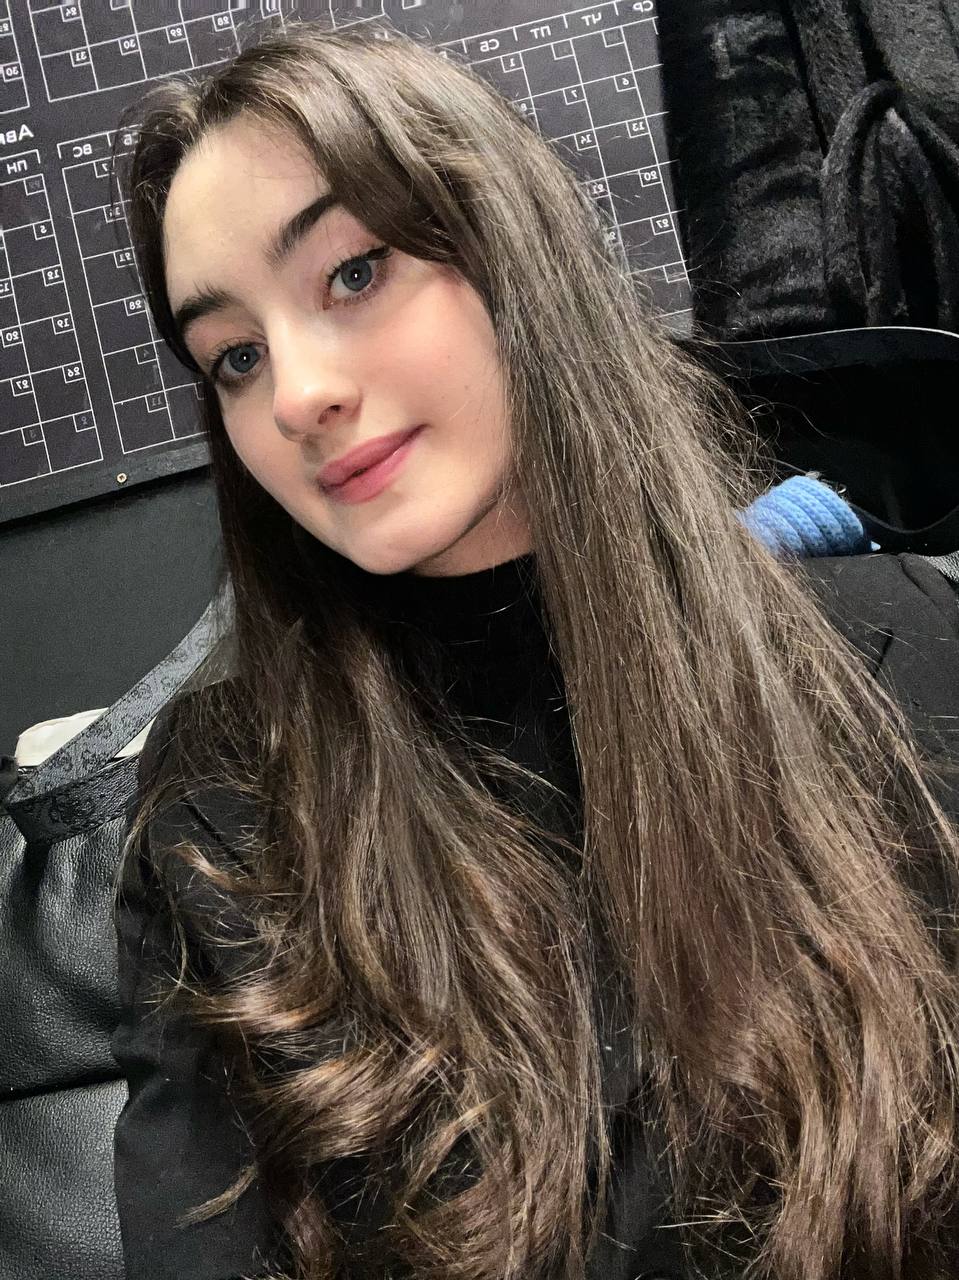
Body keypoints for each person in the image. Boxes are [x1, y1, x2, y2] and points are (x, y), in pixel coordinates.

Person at [111, 21, 959, 1280]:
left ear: (513, 250)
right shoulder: (222, 809)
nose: (294, 394)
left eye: (352, 273)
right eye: (233, 355)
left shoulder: (904, 654)